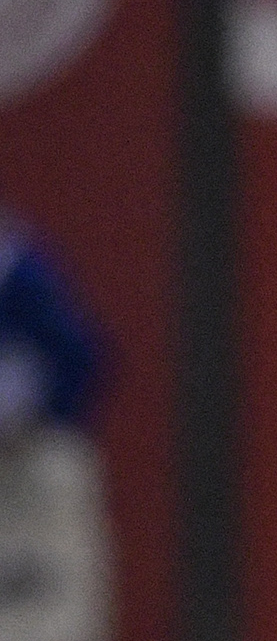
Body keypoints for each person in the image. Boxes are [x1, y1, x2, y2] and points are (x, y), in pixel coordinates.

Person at [0, 216, 107, 641]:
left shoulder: (20, 274)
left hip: (34, 466)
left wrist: (25, 415)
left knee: (52, 612)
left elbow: (81, 362)